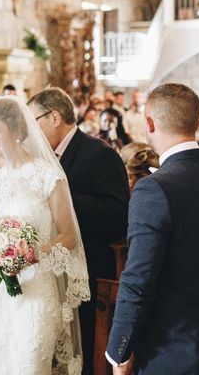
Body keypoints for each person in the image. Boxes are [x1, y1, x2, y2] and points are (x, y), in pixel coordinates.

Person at [0, 96, 90, 374]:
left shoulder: (46, 175)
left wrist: (30, 254)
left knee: (27, 364)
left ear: (15, 132)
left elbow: (68, 235)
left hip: (36, 290)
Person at [107, 83, 199, 374]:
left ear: (149, 123)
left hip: (170, 349)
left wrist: (118, 351)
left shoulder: (153, 189)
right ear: (197, 123)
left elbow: (138, 279)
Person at [28, 87, 129, 375]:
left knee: (81, 351)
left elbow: (117, 216)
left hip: (87, 269)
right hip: (51, 270)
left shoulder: (99, 154)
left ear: (55, 116)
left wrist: (63, 198)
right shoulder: (41, 158)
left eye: (34, 121)